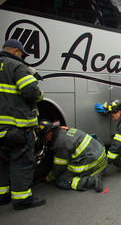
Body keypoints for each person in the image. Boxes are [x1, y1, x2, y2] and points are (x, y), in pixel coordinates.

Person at [0, 39, 46, 210]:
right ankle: (21, 199)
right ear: (16, 51)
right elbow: (31, 92)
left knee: (2, 162)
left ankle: (2, 195)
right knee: (21, 162)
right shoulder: (17, 66)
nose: (22, 56)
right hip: (16, 127)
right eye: (22, 54)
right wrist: (40, 94)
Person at [36, 120, 106, 192]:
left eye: (44, 137)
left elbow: (60, 167)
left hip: (93, 162)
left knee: (62, 181)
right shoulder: (64, 130)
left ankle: (91, 181)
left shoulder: (59, 142)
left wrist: (49, 178)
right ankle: (96, 172)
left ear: (48, 133)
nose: (45, 140)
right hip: (102, 159)